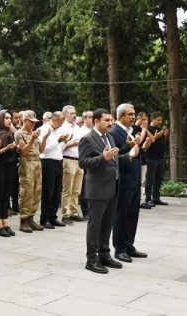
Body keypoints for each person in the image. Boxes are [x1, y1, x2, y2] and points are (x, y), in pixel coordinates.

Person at [79, 108, 138, 274]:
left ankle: (104, 254)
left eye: (111, 120)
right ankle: (91, 259)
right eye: (107, 120)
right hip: (97, 189)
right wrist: (101, 158)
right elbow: (83, 162)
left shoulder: (110, 137)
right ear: (96, 121)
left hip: (113, 188)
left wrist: (129, 156)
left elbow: (114, 159)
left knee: (107, 225)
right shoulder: (87, 138)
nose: (111, 123)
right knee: (95, 226)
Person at [109, 103, 148, 263]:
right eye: (130, 114)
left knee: (132, 215)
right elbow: (115, 155)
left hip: (135, 179)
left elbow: (134, 153)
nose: (133, 117)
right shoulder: (114, 132)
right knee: (121, 215)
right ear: (120, 116)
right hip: (123, 181)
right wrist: (129, 146)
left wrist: (142, 147)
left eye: (134, 114)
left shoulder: (131, 131)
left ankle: (129, 244)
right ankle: (120, 248)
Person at [39, 111, 71, 229]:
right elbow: (42, 150)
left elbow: (58, 149)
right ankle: (45, 218)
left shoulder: (58, 131)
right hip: (48, 162)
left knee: (57, 191)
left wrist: (64, 142)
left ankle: (53, 217)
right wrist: (58, 141)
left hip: (58, 161)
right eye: (60, 122)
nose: (61, 125)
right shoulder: (44, 130)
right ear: (54, 120)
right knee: (48, 191)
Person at [15, 110, 45, 233]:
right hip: (26, 163)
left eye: (34, 122)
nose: (33, 124)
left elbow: (41, 150)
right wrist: (32, 140)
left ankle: (31, 218)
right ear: (25, 120)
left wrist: (44, 138)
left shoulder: (33, 133)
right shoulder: (19, 134)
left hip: (37, 162)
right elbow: (24, 151)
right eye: (31, 122)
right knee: (26, 191)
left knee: (36, 191)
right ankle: (24, 220)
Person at [0, 110, 18, 237]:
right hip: (0, 168)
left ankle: (5, 223)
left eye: (10, 118)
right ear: (0, 119)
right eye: (6, 118)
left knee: (6, 197)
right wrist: (6, 148)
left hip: (10, 168)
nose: (9, 120)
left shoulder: (10, 133)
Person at [57, 105, 85, 223]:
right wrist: (71, 144)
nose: (74, 115)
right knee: (67, 189)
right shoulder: (62, 128)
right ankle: (65, 214)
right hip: (68, 159)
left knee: (76, 190)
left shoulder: (78, 128)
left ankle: (74, 212)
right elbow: (59, 148)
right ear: (65, 115)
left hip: (79, 160)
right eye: (71, 113)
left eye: (75, 113)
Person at [145, 112, 169, 207]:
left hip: (160, 158)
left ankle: (156, 198)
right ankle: (148, 199)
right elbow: (153, 139)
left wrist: (165, 135)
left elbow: (162, 142)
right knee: (150, 179)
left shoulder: (159, 129)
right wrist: (162, 132)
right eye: (158, 120)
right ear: (153, 119)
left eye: (161, 120)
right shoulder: (148, 129)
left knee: (158, 179)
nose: (160, 122)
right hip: (151, 158)